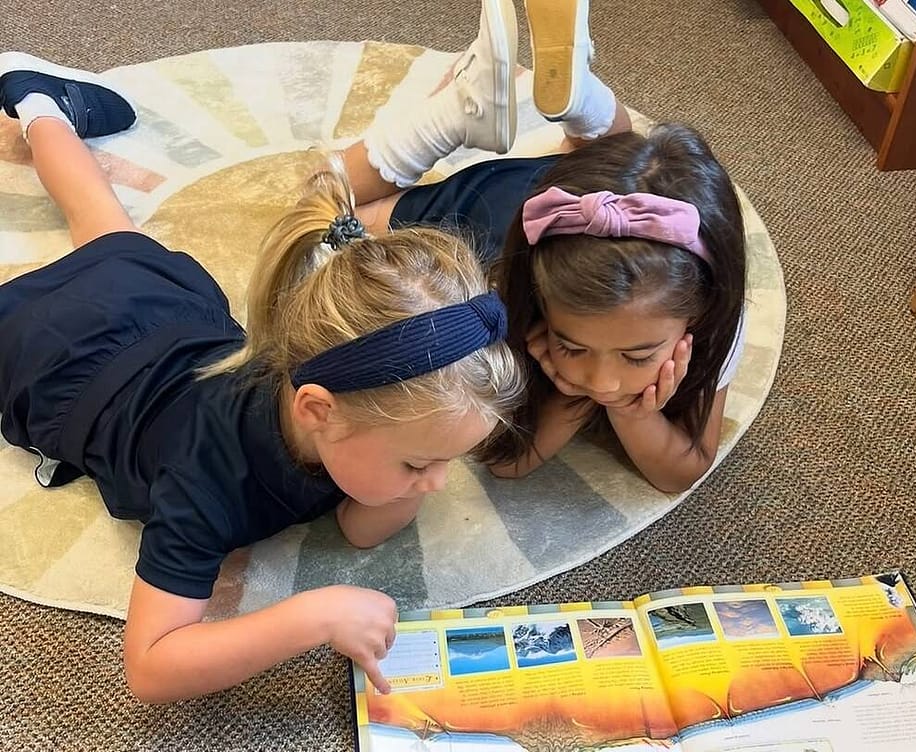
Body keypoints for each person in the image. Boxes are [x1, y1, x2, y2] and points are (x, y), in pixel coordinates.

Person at [0, 52, 523, 702]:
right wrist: (311, 617)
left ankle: (38, 104)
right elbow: (151, 667)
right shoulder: (206, 480)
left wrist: (416, 466)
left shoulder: (337, 397)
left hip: (164, 311)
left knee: (101, 221)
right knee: (97, 228)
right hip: (60, 357)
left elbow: (362, 528)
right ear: (318, 410)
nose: (441, 483)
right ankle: (41, 112)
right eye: (421, 462)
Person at [340, 0, 747, 494]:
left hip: (577, 198)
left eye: (637, 357)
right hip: (496, 211)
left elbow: (680, 473)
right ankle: (453, 115)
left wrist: (621, 409)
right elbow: (506, 462)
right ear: (538, 304)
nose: (603, 381)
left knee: (618, 160)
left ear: (699, 314)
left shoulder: (711, 312)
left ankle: (583, 98)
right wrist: (575, 395)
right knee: (333, 206)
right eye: (571, 346)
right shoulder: (500, 286)